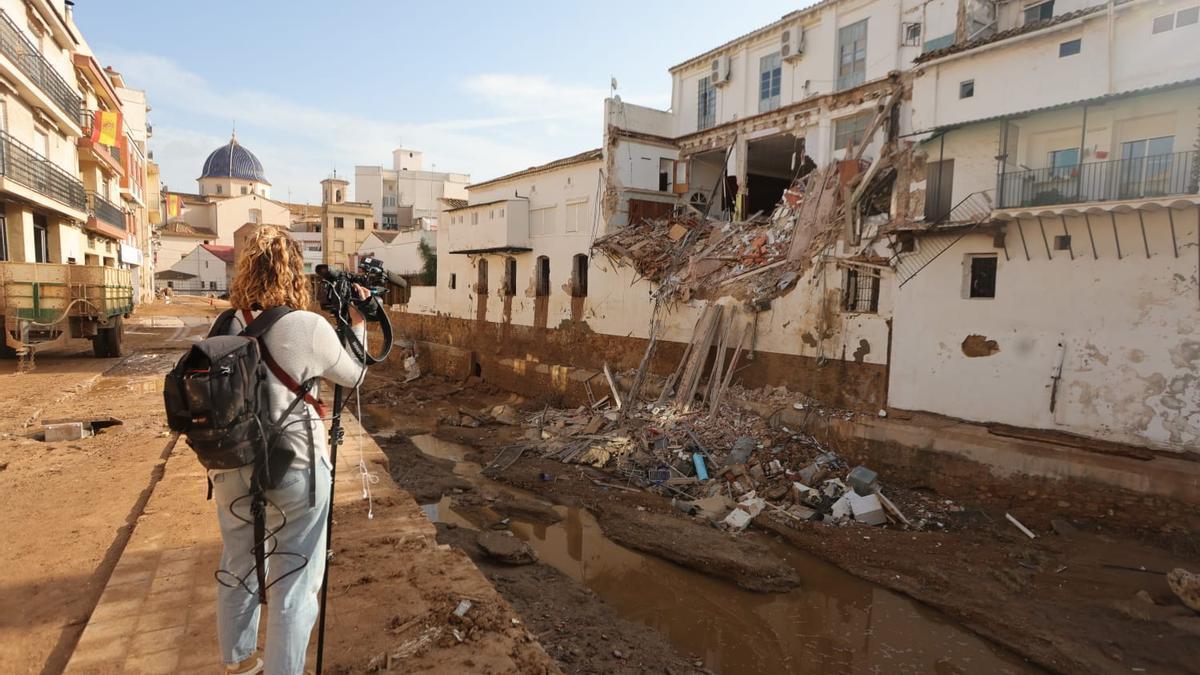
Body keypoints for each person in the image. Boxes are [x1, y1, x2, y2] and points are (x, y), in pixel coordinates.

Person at [211, 225, 367, 675]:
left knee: (238, 565)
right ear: (295, 273)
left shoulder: (225, 324)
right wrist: (357, 323)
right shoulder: (307, 326)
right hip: (295, 470)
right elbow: (354, 374)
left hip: (231, 465)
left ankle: (240, 664)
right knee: (293, 583)